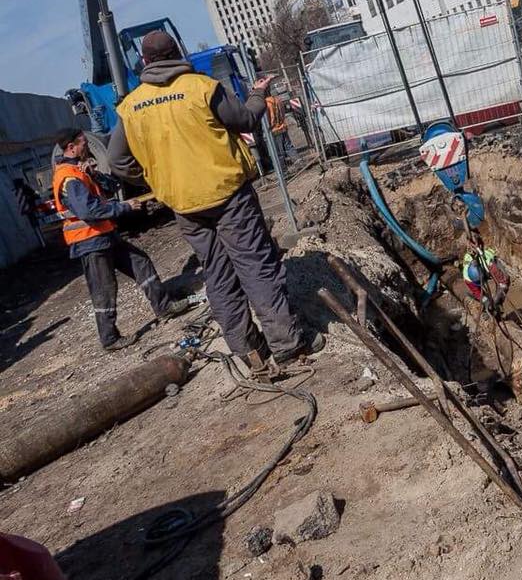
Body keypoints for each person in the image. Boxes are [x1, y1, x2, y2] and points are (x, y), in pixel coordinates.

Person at [106, 30, 323, 372]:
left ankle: (249, 352)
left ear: (144, 63)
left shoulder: (131, 107)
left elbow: (117, 162)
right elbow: (247, 119)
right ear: (178, 52)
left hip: (185, 206)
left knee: (218, 275)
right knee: (256, 267)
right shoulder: (201, 87)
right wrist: (257, 93)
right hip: (228, 196)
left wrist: (159, 176)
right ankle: (288, 345)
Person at [52, 128, 188, 350]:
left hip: (104, 235)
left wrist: (95, 174)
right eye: (84, 143)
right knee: (104, 288)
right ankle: (110, 339)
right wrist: (123, 207)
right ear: (71, 147)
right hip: (90, 241)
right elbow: (89, 211)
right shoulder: (68, 177)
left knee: (140, 262)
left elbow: (111, 186)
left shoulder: (80, 170)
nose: (87, 146)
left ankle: (163, 307)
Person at [462, 245, 510, 312]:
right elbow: (476, 291)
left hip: (491, 260)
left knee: (504, 282)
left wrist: (496, 299)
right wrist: (486, 301)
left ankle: (498, 304)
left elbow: (504, 282)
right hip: (478, 268)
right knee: (482, 298)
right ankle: (488, 309)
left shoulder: (492, 267)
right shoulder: (467, 278)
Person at [265, 94, 294, 162]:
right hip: (282, 126)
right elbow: (283, 113)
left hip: (274, 129)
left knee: (278, 151)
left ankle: (283, 169)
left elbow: (267, 118)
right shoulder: (278, 99)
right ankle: (298, 161)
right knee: (289, 146)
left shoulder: (266, 103)